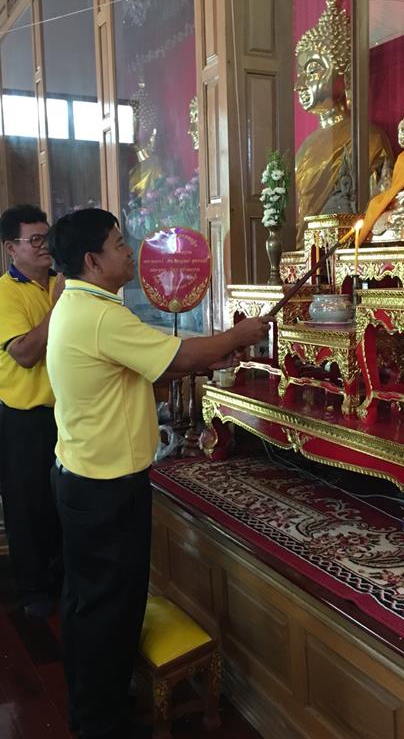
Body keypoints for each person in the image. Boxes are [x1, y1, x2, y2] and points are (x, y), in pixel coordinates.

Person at [46, 208, 271, 739]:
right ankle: (100, 722)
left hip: (81, 476)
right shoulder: (101, 316)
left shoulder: (76, 304)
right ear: (92, 260)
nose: (130, 250)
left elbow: (154, 365)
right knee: (110, 604)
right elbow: (182, 354)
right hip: (105, 489)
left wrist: (208, 357)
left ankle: (90, 703)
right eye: (118, 243)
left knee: (86, 600)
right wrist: (239, 333)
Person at [0, 204, 64, 617]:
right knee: (27, 508)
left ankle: (61, 583)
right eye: (35, 240)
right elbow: (27, 354)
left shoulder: (60, 281)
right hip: (24, 420)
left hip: (66, 416)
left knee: (62, 504)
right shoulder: (3, 294)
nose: (44, 246)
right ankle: (33, 592)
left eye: (47, 236)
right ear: (11, 248)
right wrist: (60, 305)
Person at [294, 0, 393, 248]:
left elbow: (378, 204)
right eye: (301, 73)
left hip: (349, 252)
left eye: (313, 70)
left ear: (345, 75)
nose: (300, 84)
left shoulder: (369, 139)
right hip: (307, 255)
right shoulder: (306, 147)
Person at [358, 101, 404, 245]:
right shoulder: (401, 157)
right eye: (400, 131)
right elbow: (396, 185)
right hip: (398, 198)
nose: (401, 135)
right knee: (375, 203)